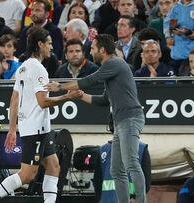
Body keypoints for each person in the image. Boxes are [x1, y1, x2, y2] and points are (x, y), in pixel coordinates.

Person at [0, 27, 83, 203]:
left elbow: (14, 100)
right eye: (48, 43)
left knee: (54, 166)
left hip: (37, 128)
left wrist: (11, 129)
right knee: (27, 175)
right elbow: (43, 102)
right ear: (40, 44)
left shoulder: (23, 67)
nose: (51, 47)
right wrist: (67, 96)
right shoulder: (39, 70)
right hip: (36, 130)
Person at [45, 34, 147, 203]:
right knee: (117, 170)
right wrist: (81, 96)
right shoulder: (112, 68)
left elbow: (89, 80)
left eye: (92, 48)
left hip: (129, 119)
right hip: (121, 121)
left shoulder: (113, 63)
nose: (90, 52)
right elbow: (104, 100)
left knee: (131, 164)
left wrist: (60, 87)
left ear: (102, 50)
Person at [163, 0, 194, 72]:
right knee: (174, 80)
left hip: (193, 54)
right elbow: (166, 22)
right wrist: (168, 36)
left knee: (191, 79)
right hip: (177, 53)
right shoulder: (175, 7)